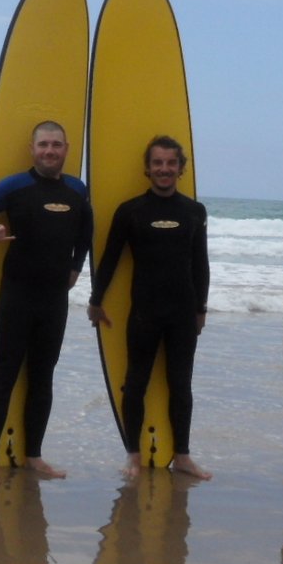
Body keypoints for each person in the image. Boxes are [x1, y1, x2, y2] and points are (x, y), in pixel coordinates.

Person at [0, 120, 93, 486]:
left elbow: (86, 232)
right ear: (32, 149)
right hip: (16, 296)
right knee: (4, 375)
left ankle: (33, 454)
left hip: (54, 300)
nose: (49, 151)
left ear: (66, 148)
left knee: (43, 376)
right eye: (43, 145)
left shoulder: (77, 190)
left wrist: (76, 268)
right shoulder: (14, 186)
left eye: (56, 145)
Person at [86, 135, 212, 480]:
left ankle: (183, 455)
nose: (164, 169)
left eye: (171, 163)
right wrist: (96, 300)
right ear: (147, 168)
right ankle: (133, 455)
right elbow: (109, 258)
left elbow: (200, 263)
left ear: (181, 168)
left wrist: (201, 307)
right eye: (158, 163)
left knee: (180, 384)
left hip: (183, 312)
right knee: (135, 383)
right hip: (144, 311)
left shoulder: (194, 211)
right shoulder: (130, 211)